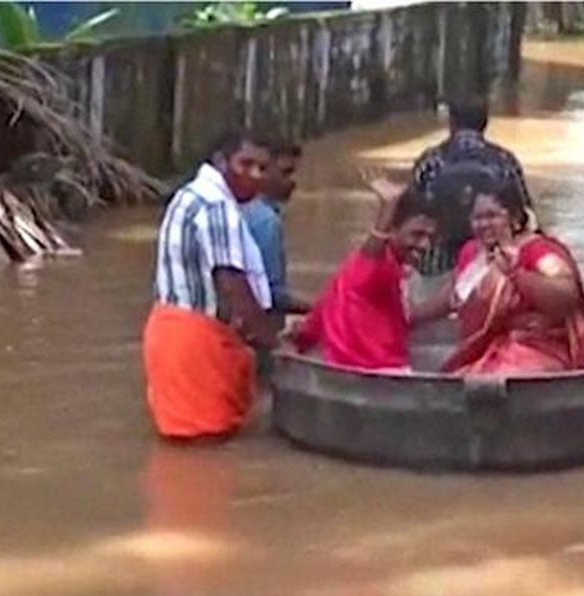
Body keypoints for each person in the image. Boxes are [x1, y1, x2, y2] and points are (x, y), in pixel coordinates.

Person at [142, 130, 278, 440]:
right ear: (221, 161)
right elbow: (232, 283)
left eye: (262, 168)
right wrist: (275, 344)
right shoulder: (217, 207)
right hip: (195, 343)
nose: (255, 176)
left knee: (187, 446)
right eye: (246, 164)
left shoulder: (190, 195)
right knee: (206, 449)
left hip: (170, 333)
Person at [423, 176, 584, 375]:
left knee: (488, 379)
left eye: (492, 216)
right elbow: (454, 295)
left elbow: (566, 297)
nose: (484, 224)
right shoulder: (472, 252)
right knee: (461, 378)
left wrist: (517, 275)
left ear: (514, 217)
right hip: (482, 350)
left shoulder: (538, 251)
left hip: (537, 350)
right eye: (477, 218)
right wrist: (411, 316)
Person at [288, 175, 439, 371]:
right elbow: (371, 251)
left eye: (430, 237)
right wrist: (388, 209)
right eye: (416, 235)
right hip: (380, 374)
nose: (425, 245)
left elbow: (322, 311)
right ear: (392, 230)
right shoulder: (372, 266)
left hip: (379, 373)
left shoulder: (391, 270)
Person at [412, 94, 533, 275]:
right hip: (490, 262)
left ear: (451, 122)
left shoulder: (430, 160)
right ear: (485, 123)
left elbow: (410, 213)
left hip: (437, 263)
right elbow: (524, 215)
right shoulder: (504, 159)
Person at [241, 138, 311, 378]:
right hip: (259, 334)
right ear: (263, 172)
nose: (293, 182)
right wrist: (323, 307)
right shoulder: (266, 221)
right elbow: (270, 294)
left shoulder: (239, 210)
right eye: (286, 173)